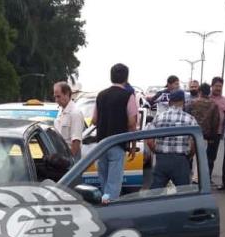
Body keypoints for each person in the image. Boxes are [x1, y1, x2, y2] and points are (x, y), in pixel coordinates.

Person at [92, 63, 138, 203]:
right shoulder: (128, 95)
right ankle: (110, 210)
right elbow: (132, 123)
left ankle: (103, 207)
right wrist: (133, 144)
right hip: (117, 144)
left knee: (104, 181)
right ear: (126, 77)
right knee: (114, 184)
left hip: (101, 144)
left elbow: (94, 120)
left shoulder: (100, 95)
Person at [146, 90, 198, 189]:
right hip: (181, 160)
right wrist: (189, 156)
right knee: (183, 193)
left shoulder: (158, 117)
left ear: (169, 102)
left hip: (162, 160)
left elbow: (149, 141)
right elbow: (194, 143)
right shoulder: (190, 119)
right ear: (183, 102)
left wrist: (157, 152)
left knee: (155, 193)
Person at [187, 83, 221, 180]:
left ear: (200, 91)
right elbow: (215, 122)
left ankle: (186, 177)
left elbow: (187, 117)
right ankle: (199, 178)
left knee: (189, 156)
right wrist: (212, 137)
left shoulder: (191, 103)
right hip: (206, 135)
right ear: (208, 92)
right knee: (202, 157)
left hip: (192, 133)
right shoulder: (213, 105)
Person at [53, 81, 86, 159]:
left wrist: (69, 160)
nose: (56, 100)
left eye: (58, 96)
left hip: (71, 155)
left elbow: (76, 142)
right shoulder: (61, 110)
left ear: (67, 94)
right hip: (61, 155)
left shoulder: (75, 113)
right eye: (55, 97)